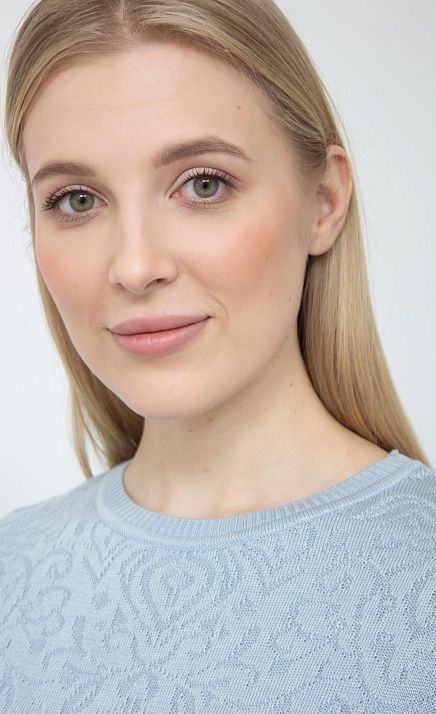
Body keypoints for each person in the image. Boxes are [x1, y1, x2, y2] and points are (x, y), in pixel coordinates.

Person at [1, 0, 434, 710]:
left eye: (203, 184)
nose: (135, 266)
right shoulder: (11, 572)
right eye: (77, 200)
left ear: (324, 201)